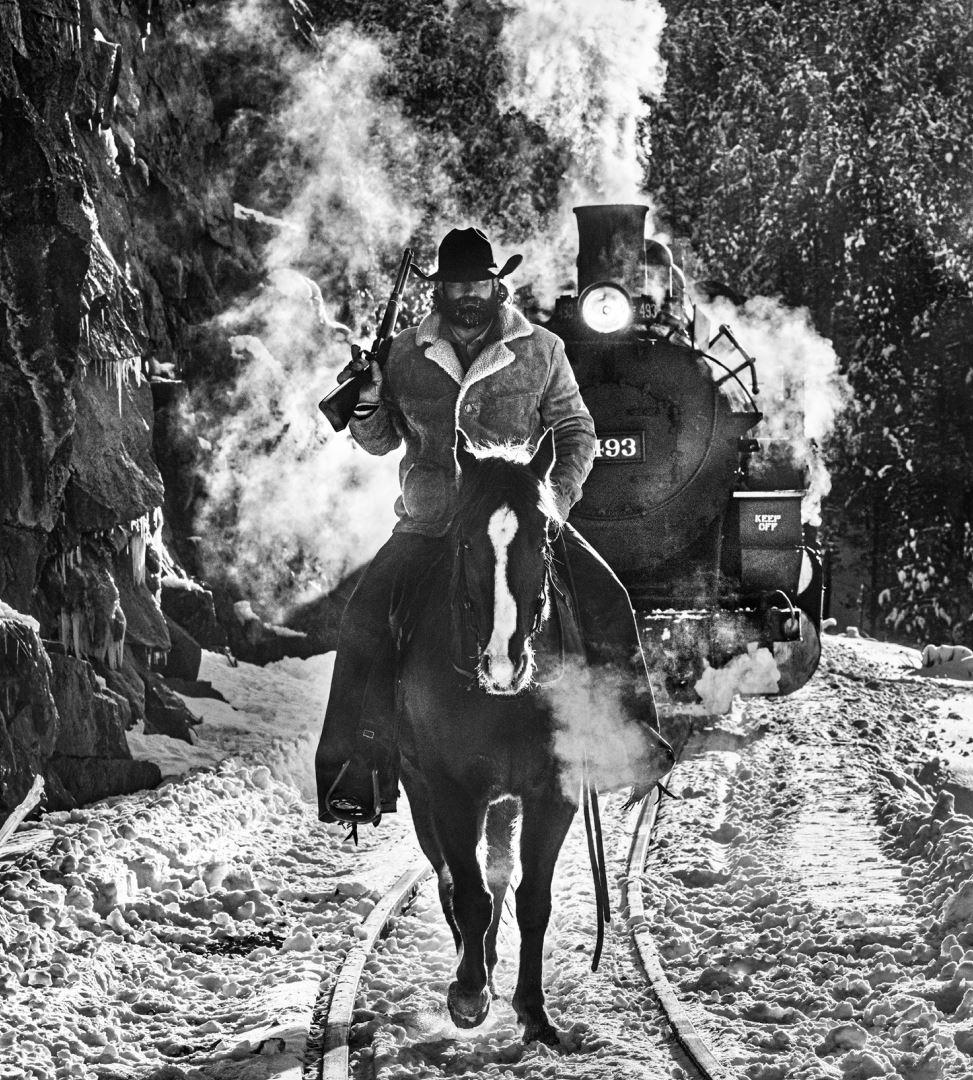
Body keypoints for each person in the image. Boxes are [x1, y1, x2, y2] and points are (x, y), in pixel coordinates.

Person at [316, 226, 670, 825]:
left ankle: (626, 745)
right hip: (430, 524)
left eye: (478, 283)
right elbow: (378, 443)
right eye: (455, 285)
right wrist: (370, 397)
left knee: (608, 596)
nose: (467, 295)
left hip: (522, 521)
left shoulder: (542, 350)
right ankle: (355, 774)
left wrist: (548, 502)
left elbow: (576, 430)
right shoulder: (404, 353)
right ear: (440, 290)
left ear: (494, 285)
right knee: (362, 620)